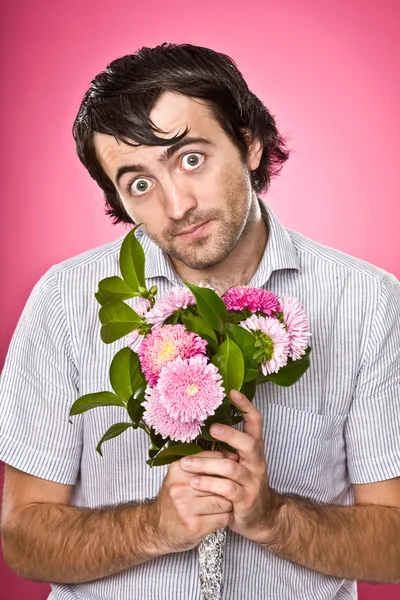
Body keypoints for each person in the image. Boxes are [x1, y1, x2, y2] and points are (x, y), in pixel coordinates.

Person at [1, 42, 399, 600]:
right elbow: (22, 536)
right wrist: (152, 527)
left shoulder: (368, 302)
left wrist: (274, 518)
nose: (177, 205)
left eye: (191, 158)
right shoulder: (65, 302)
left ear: (250, 143)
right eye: (139, 183)